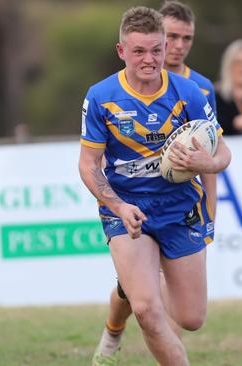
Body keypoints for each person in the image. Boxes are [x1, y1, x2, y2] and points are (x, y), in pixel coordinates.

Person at [79, 6, 231, 366]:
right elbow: (88, 165)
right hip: (129, 210)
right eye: (138, 51)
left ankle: (133, 285)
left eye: (156, 50)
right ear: (122, 51)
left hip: (180, 208)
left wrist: (206, 163)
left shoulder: (191, 92)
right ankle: (137, 290)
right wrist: (117, 206)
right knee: (147, 310)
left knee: (191, 318)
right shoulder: (101, 97)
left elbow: (223, 153)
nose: (149, 60)